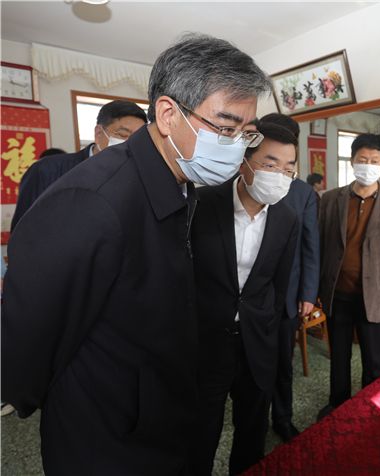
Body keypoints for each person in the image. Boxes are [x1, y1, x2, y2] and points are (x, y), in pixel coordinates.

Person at [1, 33, 270, 475]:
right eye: (225, 128)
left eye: (246, 132)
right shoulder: (92, 201)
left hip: (162, 412)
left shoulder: (183, 183)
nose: (237, 145)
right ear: (167, 114)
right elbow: (30, 336)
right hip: (107, 435)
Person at [190, 116, 299, 475]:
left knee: (252, 429)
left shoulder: (287, 218)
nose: (279, 175)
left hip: (256, 340)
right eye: (270, 163)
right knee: (200, 430)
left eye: (288, 167)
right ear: (244, 162)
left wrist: (270, 330)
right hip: (206, 339)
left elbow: (279, 284)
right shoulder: (202, 203)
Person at [316, 133, 380, 419]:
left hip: (376, 295)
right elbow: (319, 246)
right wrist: (314, 291)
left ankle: (371, 410)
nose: (367, 165)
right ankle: (338, 404)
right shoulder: (330, 199)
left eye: (374, 160)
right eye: (362, 160)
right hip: (338, 292)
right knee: (339, 356)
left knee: (373, 359)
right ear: (352, 161)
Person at [263, 114, 321, 443]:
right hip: (248, 297)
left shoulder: (303, 194)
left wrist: (308, 293)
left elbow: (311, 247)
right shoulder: (242, 179)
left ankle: (282, 417)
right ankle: (253, 418)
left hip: (287, 296)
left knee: (283, 364)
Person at [10, 100, 147, 230]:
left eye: (138, 138)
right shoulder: (47, 171)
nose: (131, 144)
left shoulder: (139, 177)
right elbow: (22, 230)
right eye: (123, 135)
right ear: (99, 134)